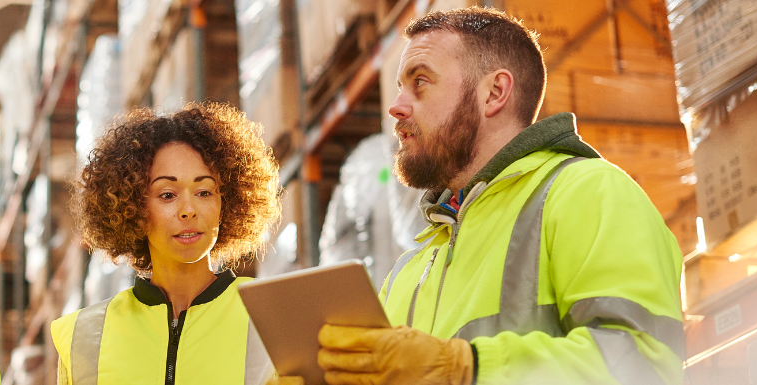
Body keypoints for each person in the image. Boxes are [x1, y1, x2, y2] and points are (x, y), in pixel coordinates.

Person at [299, 7, 684, 385]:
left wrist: (467, 369)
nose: (396, 107)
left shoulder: (589, 193)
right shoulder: (408, 270)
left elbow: (642, 365)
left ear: (494, 93)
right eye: (400, 87)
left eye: (420, 82)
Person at [52, 102, 281, 385]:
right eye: (167, 195)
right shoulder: (82, 336)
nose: (188, 210)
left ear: (227, 203)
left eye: (204, 192)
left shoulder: (274, 315)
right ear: (133, 206)